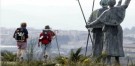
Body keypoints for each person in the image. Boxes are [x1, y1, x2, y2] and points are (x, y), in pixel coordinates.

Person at [86, 0, 131, 65]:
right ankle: (117, 63)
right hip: (118, 30)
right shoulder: (119, 8)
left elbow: (98, 21)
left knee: (108, 47)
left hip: (109, 30)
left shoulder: (106, 12)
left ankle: (108, 63)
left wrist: (89, 25)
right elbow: (125, 4)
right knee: (117, 47)